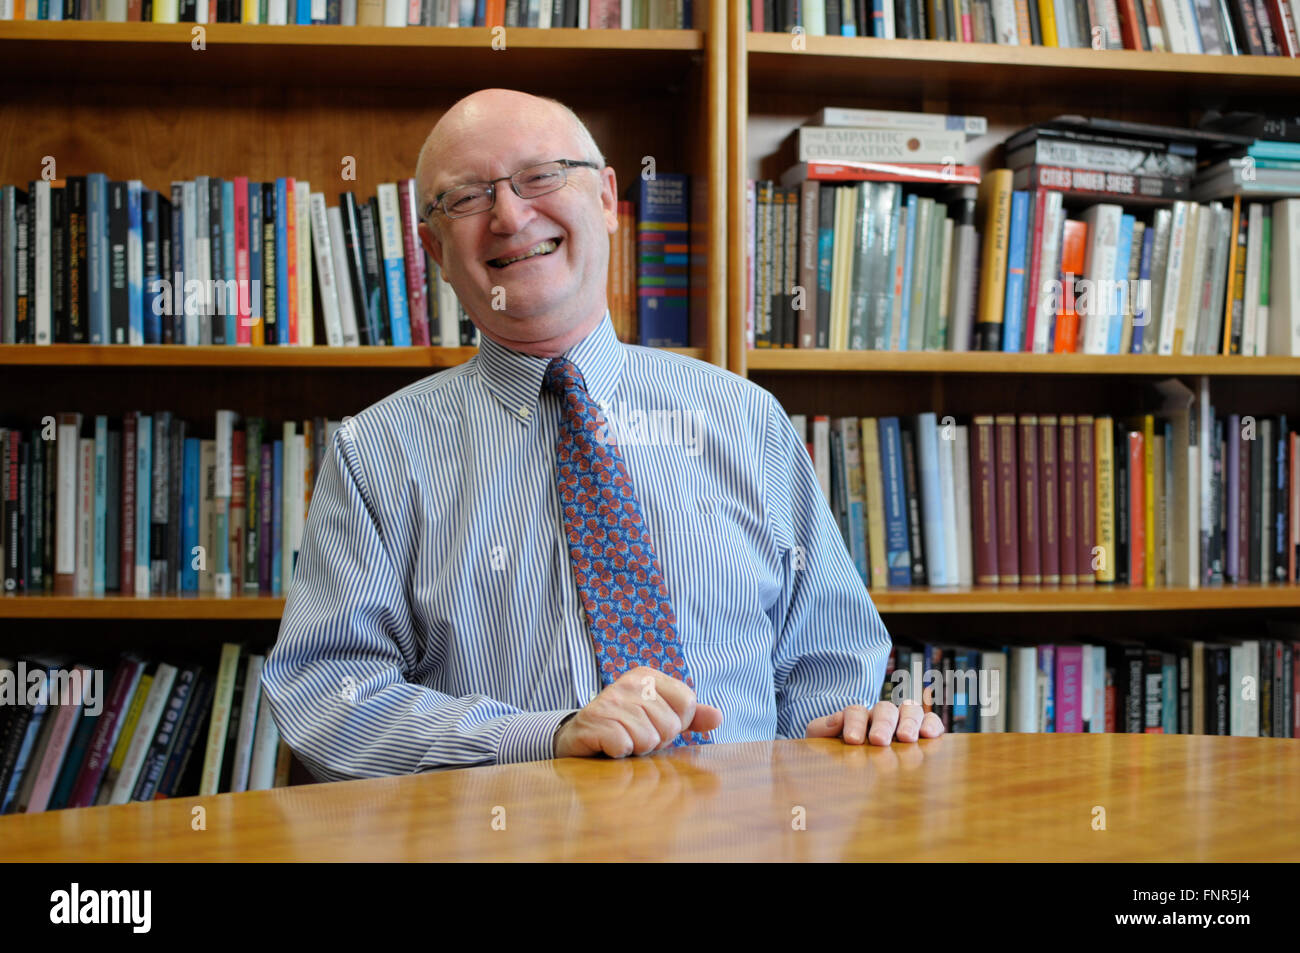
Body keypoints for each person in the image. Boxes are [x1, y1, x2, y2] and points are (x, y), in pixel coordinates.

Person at [262, 88, 944, 782]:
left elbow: (830, 671)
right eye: (466, 197)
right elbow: (328, 702)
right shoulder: (373, 456)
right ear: (435, 249)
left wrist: (860, 725)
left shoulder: (748, 421)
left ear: (608, 197)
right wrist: (544, 737)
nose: (509, 214)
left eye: (541, 175)